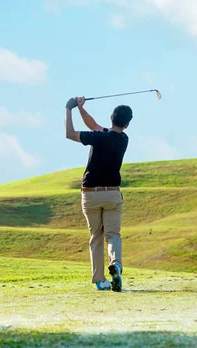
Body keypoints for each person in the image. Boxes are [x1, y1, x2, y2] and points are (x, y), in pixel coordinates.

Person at [65, 96, 132, 292]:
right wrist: (80, 108)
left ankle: (101, 281)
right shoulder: (123, 139)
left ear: (111, 117)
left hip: (91, 194)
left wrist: (68, 109)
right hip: (112, 194)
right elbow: (93, 124)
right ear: (127, 124)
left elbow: (70, 133)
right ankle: (116, 264)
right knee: (113, 235)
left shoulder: (98, 137)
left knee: (96, 237)